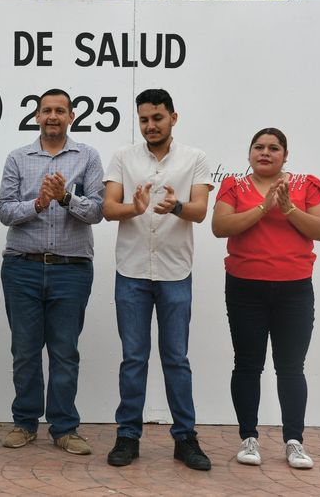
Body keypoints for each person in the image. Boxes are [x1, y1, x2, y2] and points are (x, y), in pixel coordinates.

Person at [102, 88, 212, 470]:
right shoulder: (122, 157)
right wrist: (134, 207)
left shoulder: (195, 158)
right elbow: (107, 208)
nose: (150, 125)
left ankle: (186, 438)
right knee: (133, 358)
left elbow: (199, 212)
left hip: (174, 271)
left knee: (176, 359)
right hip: (131, 271)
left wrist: (176, 205)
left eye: (157, 118)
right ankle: (127, 437)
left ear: (173, 118)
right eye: (144, 119)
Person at [212, 128, 320, 469]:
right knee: (248, 363)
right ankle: (248, 437)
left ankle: (295, 441)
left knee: (291, 367)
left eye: (273, 148)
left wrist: (289, 208)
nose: (265, 152)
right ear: (249, 153)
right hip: (245, 288)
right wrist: (265, 207)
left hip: (294, 289)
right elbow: (221, 226)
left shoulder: (307, 184)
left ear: (285, 155)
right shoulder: (234, 186)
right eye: (258, 147)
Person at [0, 88, 104, 455]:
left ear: (71, 116)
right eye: (46, 111)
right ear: (37, 117)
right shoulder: (18, 158)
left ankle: (64, 427)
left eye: (60, 110)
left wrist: (65, 198)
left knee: (64, 351)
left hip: (71, 270)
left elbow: (97, 211)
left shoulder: (88, 157)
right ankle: (25, 423)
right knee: (25, 350)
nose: (53, 116)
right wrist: (39, 203)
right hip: (22, 268)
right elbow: (4, 211)